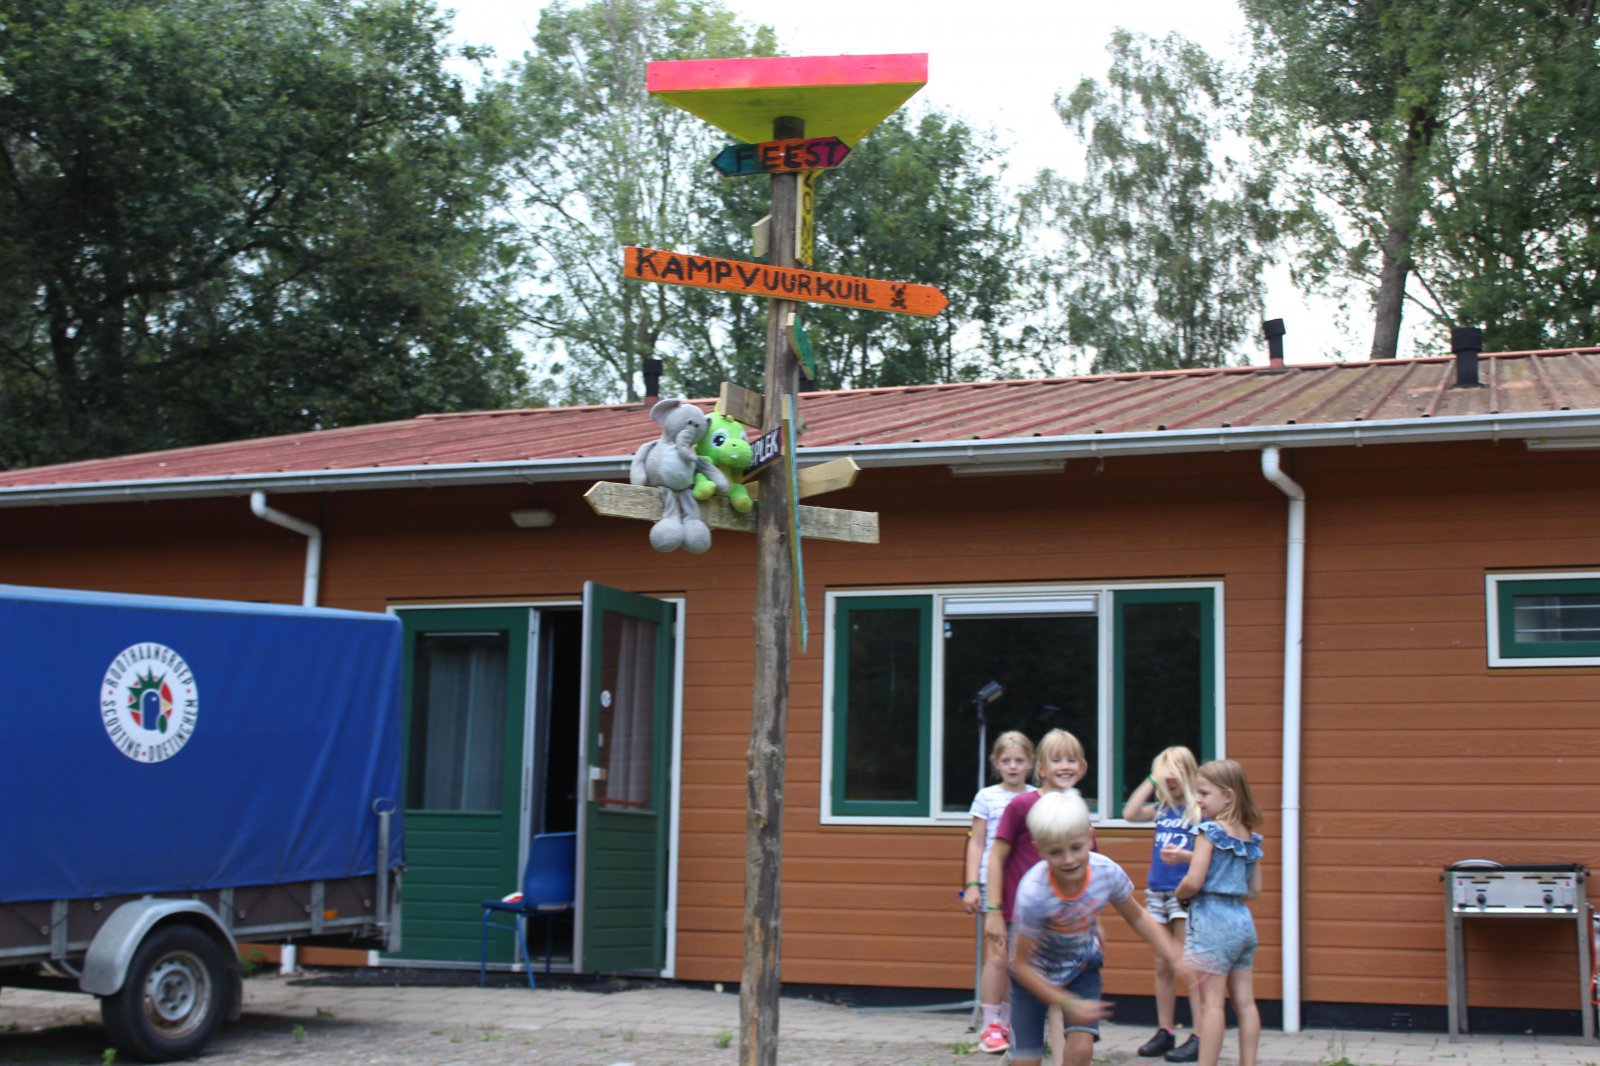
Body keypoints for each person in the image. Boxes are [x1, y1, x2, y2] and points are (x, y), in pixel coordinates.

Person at [1007, 790, 1187, 1066]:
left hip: (1081, 968)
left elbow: (1137, 916)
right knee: (1027, 1060)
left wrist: (1173, 954)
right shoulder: (1034, 893)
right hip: (1033, 978)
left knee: (1081, 1049)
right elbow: (1020, 965)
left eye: (1076, 847)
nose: (1069, 860)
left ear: (1090, 836)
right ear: (1039, 849)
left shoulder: (1106, 872)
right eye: (1056, 852)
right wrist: (1063, 1001)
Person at [983, 729, 1091, 1064]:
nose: (1064, 766)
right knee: (1032, 997)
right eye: (1056, 759)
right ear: (1040, 769)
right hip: (1024, 922)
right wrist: (994, 911)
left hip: (1067, 925)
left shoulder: (1078, 811)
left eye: (1071, 759)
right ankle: (1019, 1053)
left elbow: (1091, 868)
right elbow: (997, 857)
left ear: (1083, 767)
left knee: (1062, 998)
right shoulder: (1022, 806)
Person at [1174, 759, 1264, 1066]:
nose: (1197, 799)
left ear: (1228, 796)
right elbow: (1254, 891)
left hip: (1211, 920)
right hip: (1242, 922)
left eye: (1204, 792)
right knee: (1245, 1002)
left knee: (1211, 1004)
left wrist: (1179, 894)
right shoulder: (1250, 837)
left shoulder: (1209, 831)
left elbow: (1193, 880)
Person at [1121, 746, 1202, 1061]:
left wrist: (1183, 857)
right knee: (1162, 964)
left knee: (1187, 962)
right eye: (1163, 778)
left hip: (1184, 894)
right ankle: (1165, 1030)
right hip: (1157, 894)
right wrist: (1152, 781)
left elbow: (1210, 855)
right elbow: (1129, 814)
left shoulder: (1197, 810)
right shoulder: (1161, 808)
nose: (1169, 784)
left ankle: (1199, 1033)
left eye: (1174, 777)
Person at [962, 730, 1037, 1054]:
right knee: (996, 954)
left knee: (1018, 957)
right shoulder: (987, 797)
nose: (1013, 766)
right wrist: (971, 885)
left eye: (1019, 760)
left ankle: (1011, 1021)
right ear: (996, 763)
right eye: (1006, 761)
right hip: (993, 886)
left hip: (1028, 885)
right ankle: (990, 1023)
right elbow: (977, 842)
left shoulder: (1038, 796)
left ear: (1031, 763)